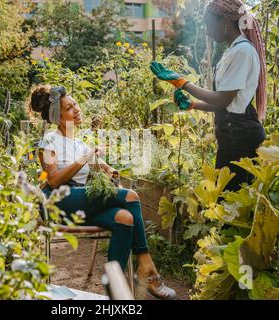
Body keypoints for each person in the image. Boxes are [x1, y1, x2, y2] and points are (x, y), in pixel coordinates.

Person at [29, 84, 176, 300]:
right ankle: (146, 267)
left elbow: (97, 164)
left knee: (124, 218)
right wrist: (85, 158)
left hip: (81, 201)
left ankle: (114, 293)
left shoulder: (78, 143)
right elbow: (53, 178)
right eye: (69, 108)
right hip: (59, 202)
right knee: (130, 196)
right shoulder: (49, 142)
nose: (77, 109)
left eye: (75, 104)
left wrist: (108, 169)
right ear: (56, 117)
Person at [150, 0, 267, 192]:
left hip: (240, 137)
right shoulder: (233, 51)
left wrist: (183, 83)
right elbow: (226, 104)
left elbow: (223, 100)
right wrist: (192, 105)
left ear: (224, 23)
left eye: (208, 24)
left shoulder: (242, 52)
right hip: (233, 133)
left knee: (230, 204)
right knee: (227, 203)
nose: (207, 31)